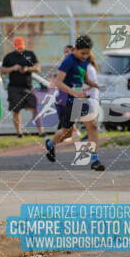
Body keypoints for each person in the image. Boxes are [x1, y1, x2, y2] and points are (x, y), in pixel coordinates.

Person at [45, 35, 105, 171]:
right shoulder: (68, 61)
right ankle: (50, 143)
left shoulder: (86, 59)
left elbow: (85, 78)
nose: (85, 56)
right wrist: (74, 93)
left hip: (80, 98)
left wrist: (95, 85)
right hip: (66, 99)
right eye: (82, 53)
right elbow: (58, 82)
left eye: (87, 53)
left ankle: (95, 159)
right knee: (67, 131)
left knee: (93, 125)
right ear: (75, 49)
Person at [0, 36, 44, 138]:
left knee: (35, 108)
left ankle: (41, 132)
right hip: (14, 88)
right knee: (16, 111)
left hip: (28, 86)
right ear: (14, 46)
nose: (19, 49)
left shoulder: (30, 54)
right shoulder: (9, 57)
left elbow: (38, 68)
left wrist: (27, 69)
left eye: (21, 47)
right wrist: (13, 68)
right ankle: (19, 133)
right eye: (18, 47)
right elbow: (2, 70)